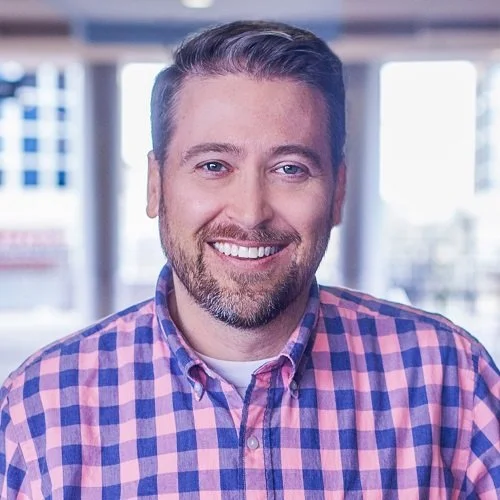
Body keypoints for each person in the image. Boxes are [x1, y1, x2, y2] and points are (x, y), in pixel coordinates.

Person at [1, 20, 499, 499]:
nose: (250, 212)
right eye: (213, 165)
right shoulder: (40, 409)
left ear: (339, 192)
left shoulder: (450, 380)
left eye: (290, 169)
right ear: (156, 185)